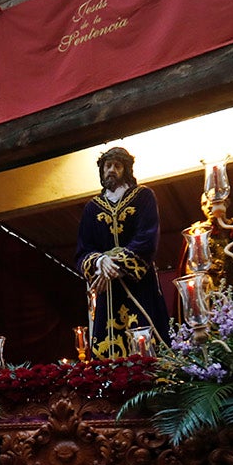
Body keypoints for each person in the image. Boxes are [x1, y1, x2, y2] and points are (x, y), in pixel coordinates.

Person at [75, 146, 170, 358]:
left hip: (140, 284)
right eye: (107, 166)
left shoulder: (143, 196)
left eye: (117, 166)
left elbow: (147, 237)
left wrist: (115, 263)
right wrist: (100, 262)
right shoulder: (92, 208)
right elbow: (83, 250)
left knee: (147, 340)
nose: (111, 170)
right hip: (109, 290)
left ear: (126, 169)